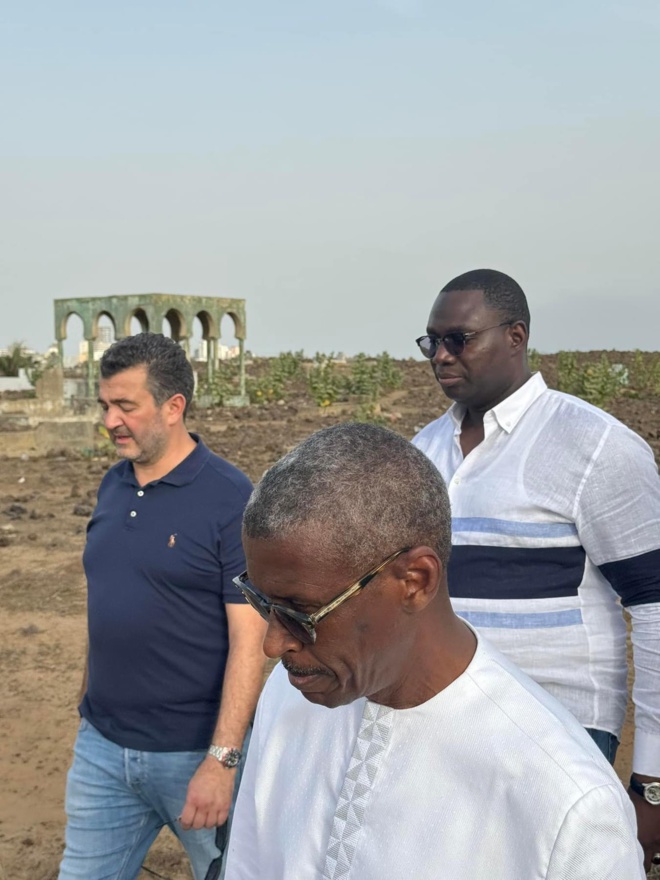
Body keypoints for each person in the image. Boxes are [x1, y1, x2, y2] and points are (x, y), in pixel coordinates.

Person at [223, 423, 645, 879]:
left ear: (415, 582)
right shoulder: (289, 699)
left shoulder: (566, 802)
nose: (273, 643)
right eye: (261, 602)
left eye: (302, 612)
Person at [412, 268, 660, 871]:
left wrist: (652, 780)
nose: (441, 356)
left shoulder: (593, 445)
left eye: (458, 340)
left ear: (516, 337)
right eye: (431, 342)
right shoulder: (422, 451)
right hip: (443, 732)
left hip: (560, 736)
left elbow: (655, 608)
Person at [58, 333, 267, 880]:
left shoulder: (229, 499)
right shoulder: (112, 486)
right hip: (102, 749)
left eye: (126, 406)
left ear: (174, 407)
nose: (110, 420)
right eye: (105, 405)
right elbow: (110, 601)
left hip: (192, 755)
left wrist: (222, 762)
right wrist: (89, 695)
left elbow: (251, 641)